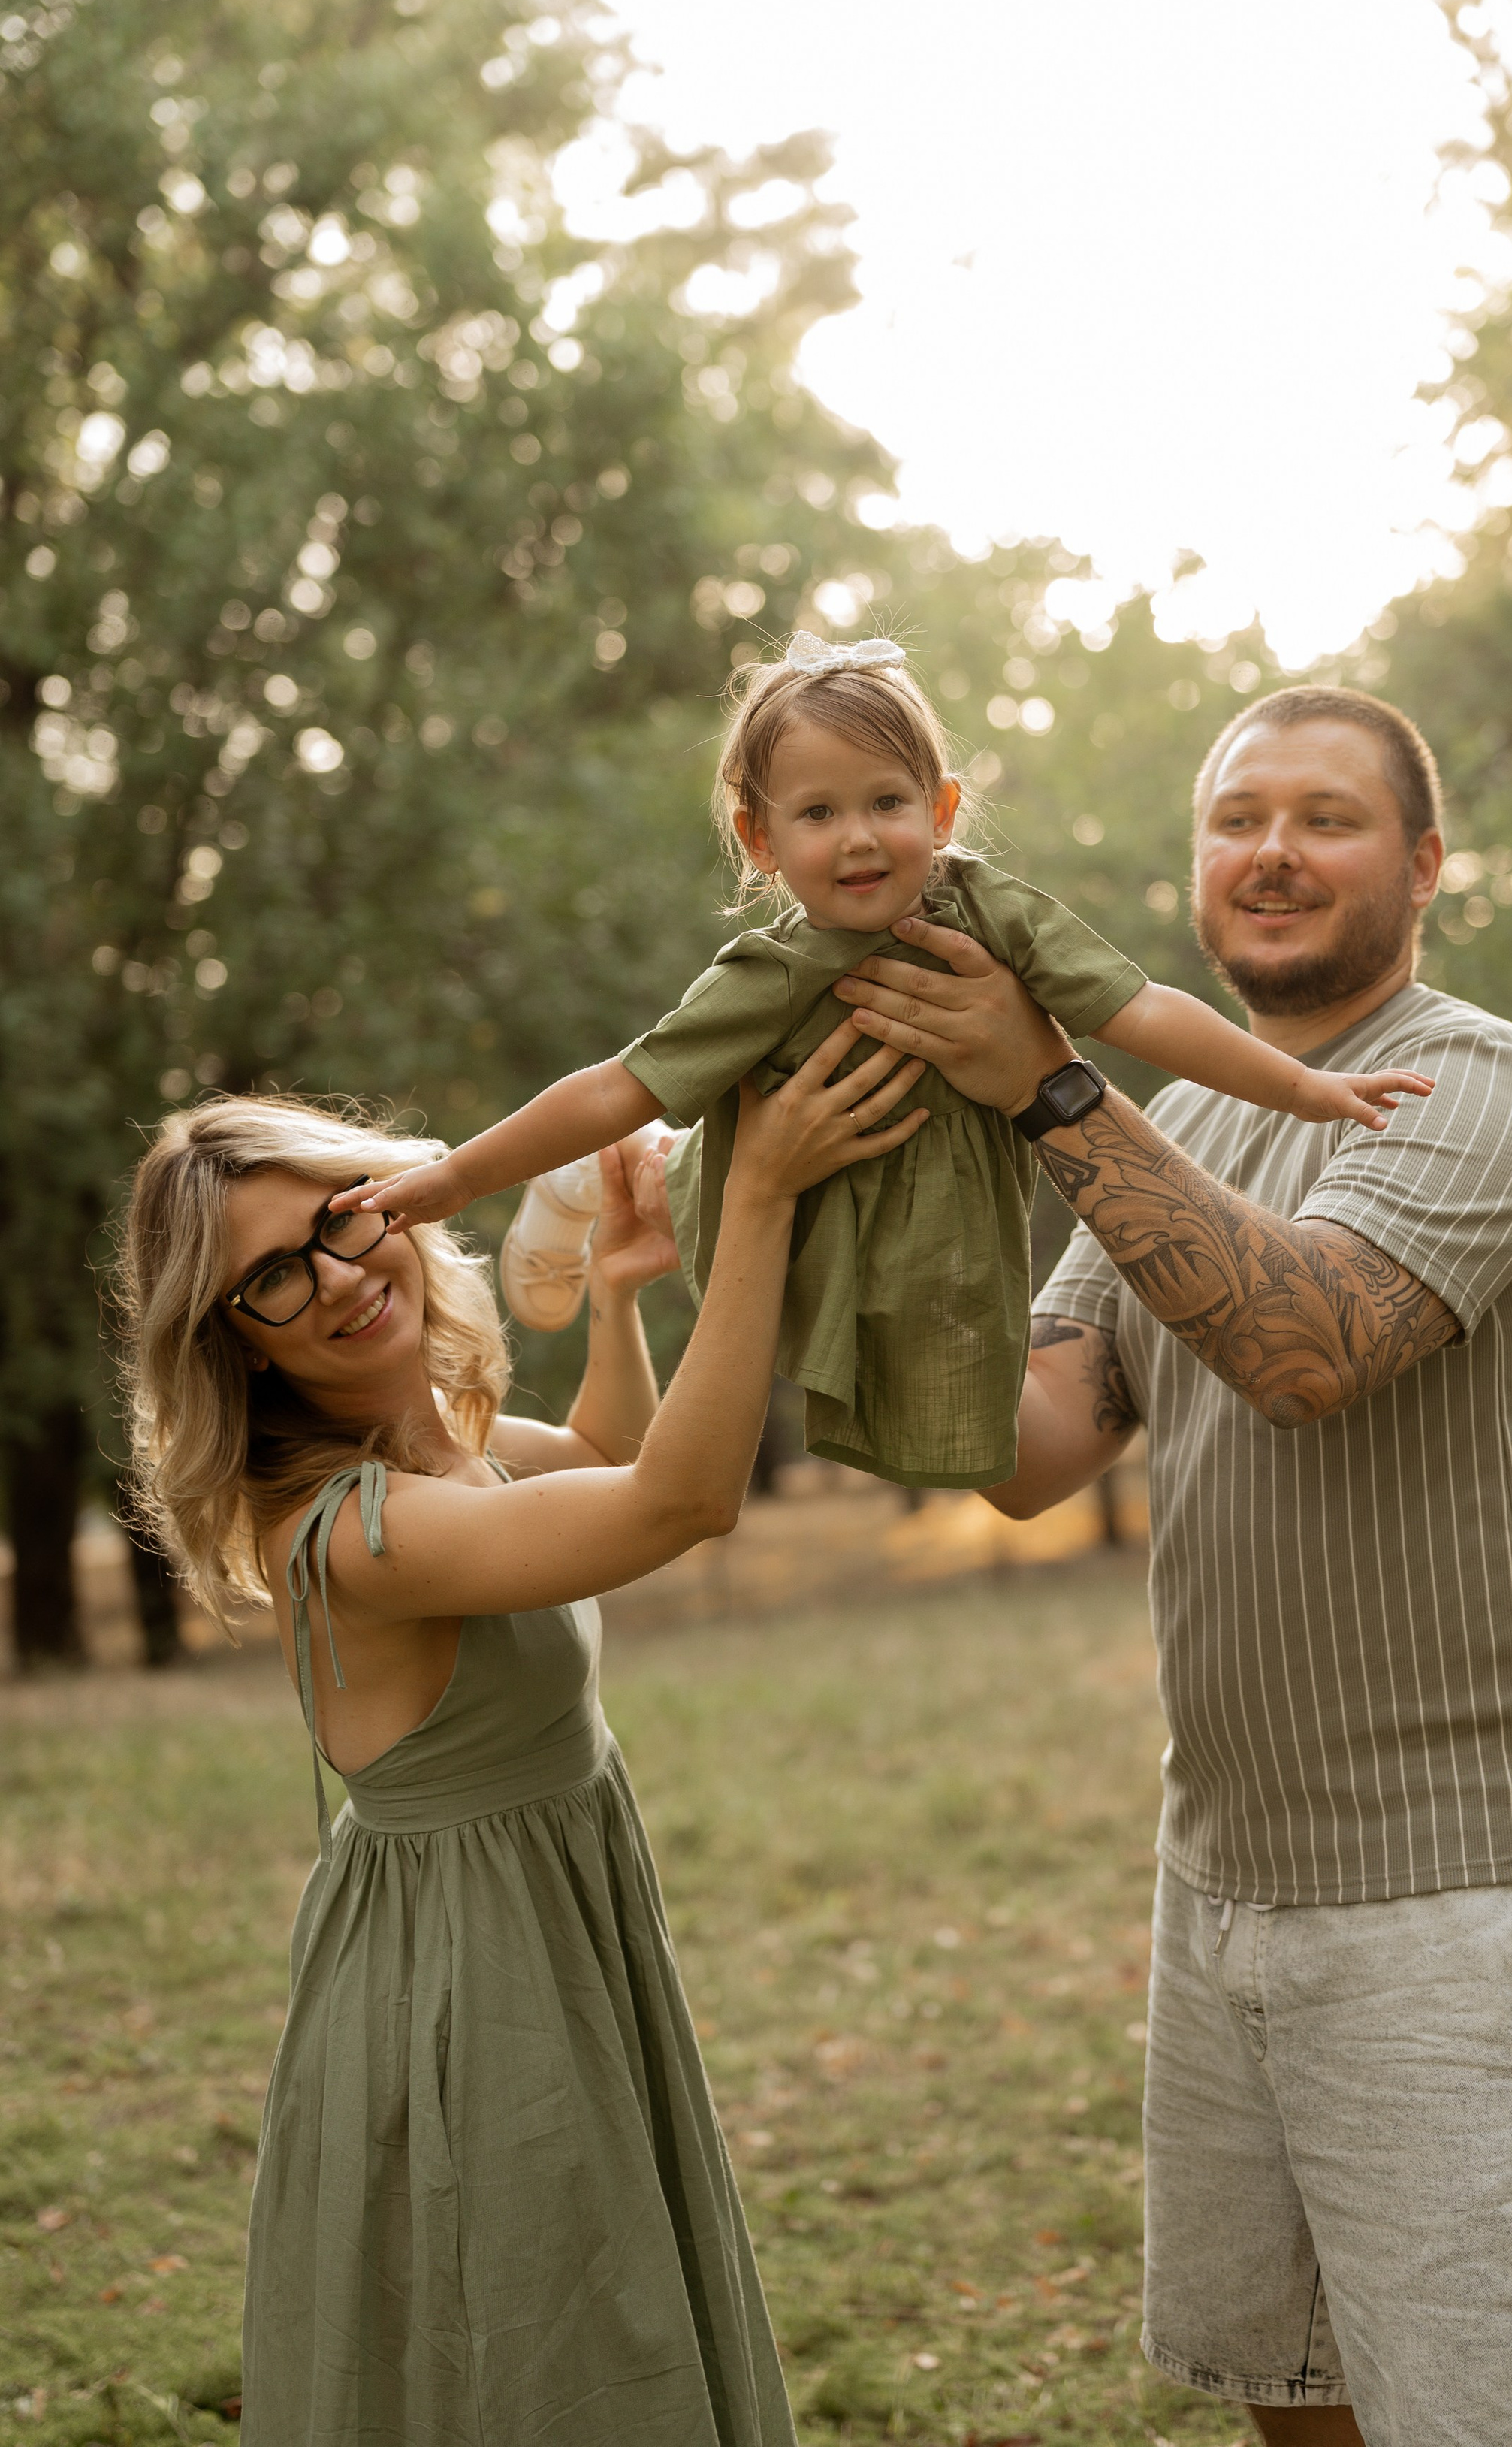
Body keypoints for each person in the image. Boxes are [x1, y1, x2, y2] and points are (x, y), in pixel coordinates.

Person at [832, 685, 1512, 2447]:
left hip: (1458, 1891)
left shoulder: (1472, 1084)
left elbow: (1304, 1344)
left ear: (1423, 862)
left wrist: (1050, 1090)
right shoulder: (1178, 1136)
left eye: (1324, 817)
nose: (1269, 851)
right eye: (1234, 818)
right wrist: (797, 1219)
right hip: (1219, 1878)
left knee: (1487, 2421)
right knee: (1291, 2398)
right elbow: (1031, 1445)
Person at [113, 1030, 929, 2445]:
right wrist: (758, 1206)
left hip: (547, 1921)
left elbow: (603, 1463)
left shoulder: (438, 1442)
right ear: (230, 1339)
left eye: (340, 1222)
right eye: (270, 1278)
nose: (338, 1279)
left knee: (586, 2296)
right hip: (469, 1974)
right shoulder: (352, 1528)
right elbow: (671, 1507)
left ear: (393, 1199)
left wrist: (618, 1297)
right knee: (547, 2337)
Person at [340, 632, 1427, 1494]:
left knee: (959, 1409)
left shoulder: (992, 915)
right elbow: (617, 1078)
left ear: (941, 809)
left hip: (935, 1228)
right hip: (820, 1202)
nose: (859, 838)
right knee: (695, 1159)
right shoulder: (772, 973)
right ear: (760, 839)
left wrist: (1304, 1089)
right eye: (817, 813)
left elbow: (1138, 1010)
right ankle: (630, 1168)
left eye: (887, 804)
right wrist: (456, 1179)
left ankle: (643, 1171)